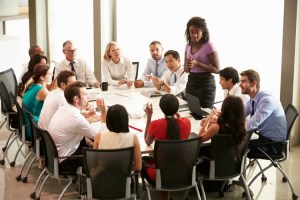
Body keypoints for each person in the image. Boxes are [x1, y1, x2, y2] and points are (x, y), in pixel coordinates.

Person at [48, 81, 107, 173]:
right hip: (66, 160)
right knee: (106, 154)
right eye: (85, 94)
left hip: (54, 157)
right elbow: (100, 136)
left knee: (91, 142)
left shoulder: (64, 109)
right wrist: (104, 111)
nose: (88, 97)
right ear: (76, 99)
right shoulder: (76, 118)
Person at [142, 94, 191, 188]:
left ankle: (163, 194)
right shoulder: (186, 122)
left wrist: (149, 116)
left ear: (161, 108)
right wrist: (178, 118)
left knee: (142, 160)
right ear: (177, 108)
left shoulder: (155, 125)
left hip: (161, 174)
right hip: (183, 172)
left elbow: (147, 141)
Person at [239, 69, 287, 155]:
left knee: (233, 145)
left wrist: (228, 128)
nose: (240, 84)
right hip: (262, 137)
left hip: (272, 144)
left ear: (254, 83)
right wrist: (221, 120)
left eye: (243, 81)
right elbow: (240, 114)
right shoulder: (254, 97)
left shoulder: (266, 101)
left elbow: (250, 125)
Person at [184, 16, 220, 108]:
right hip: (191, 82)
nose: (195, 35)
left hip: (206, 85)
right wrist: (188, 65)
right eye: (192, 32)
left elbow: (217, 69)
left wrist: (197, 64)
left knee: (205, 114)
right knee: (192, 112)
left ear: (203, 31)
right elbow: (186, 70)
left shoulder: (209, 45)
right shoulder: (188, 45)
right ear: (188, 31)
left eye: (197, 32)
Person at [93, 104, 142, 171]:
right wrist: (122, 169)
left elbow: (94, 164)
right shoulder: (133, 138)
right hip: (124, 180)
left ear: (108, 120)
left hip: (102, 179)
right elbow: (138, 167)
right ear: (125, 119)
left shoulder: (99, 136)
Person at [22, 64, 51, 138]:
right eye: (49, 74)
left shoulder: (32, 86)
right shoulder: (42, 90)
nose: (51, 75)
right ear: (42, 77)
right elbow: (54, 104)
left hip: (28, 125)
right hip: (35, 129)